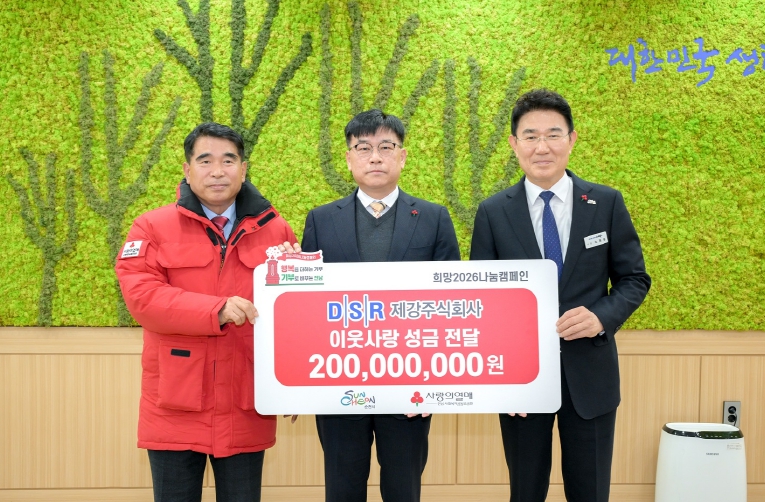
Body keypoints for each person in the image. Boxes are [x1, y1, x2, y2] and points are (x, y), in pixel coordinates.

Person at [470, 89, 651, 502]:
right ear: (514, 144)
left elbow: (634, 279)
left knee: (590, 492)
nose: (543, 147)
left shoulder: (605, 203)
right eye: (530, 136)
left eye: (553, 134)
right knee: (525, 491)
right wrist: (501, 382)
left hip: (590, 376)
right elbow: (483, 301)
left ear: (571, 139)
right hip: (521, 381)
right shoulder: (493, 213)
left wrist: (601, 317)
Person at [115, 122, 298, 502]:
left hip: (246, 404)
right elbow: (142, 297)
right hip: (174, 404)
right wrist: (217, 309)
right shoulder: (151, 226)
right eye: (205, 160)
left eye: (228, 160)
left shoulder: (276, 230)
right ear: (187, 169)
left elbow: (294, 313)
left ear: (243, 169)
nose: (218, 171)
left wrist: (293, 384)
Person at [299, 109, 461, 502]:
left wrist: (434, 383)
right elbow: (306, 307)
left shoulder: (434, 218)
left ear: (402, 156)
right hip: (339, 384)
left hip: (410, 385)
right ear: (348, 158)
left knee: (403, 488)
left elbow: (450, 304)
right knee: (342, 488)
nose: (375, 157)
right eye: (363, 148)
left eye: (386, 147)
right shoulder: (321, 220)